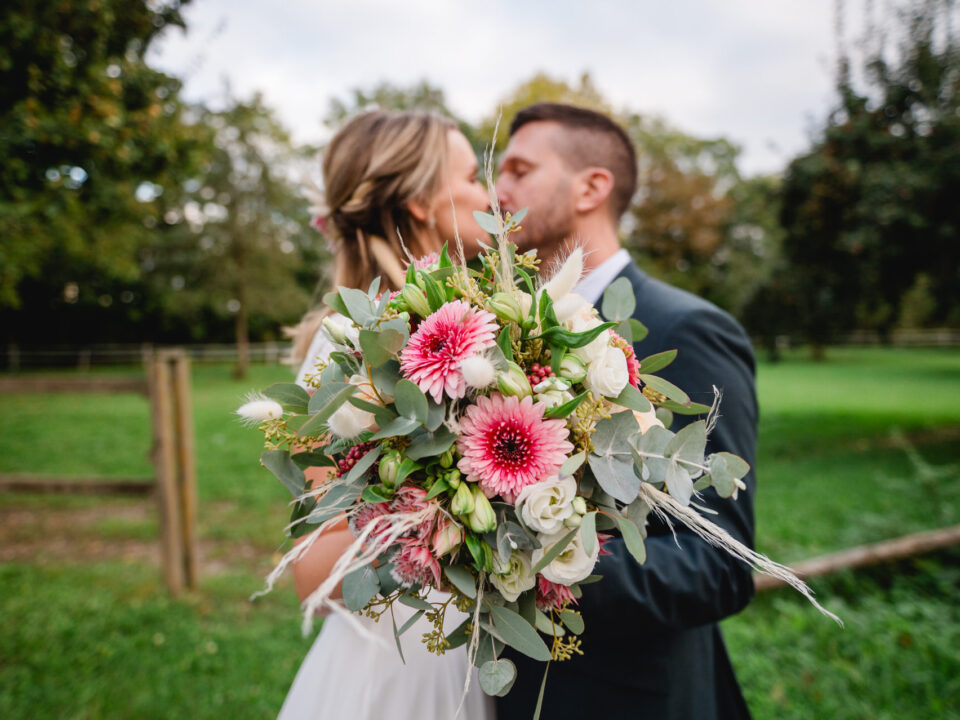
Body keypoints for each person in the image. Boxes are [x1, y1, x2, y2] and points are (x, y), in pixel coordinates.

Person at [494, 103, 758, 719]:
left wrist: (530, 570)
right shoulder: (503, 337)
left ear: (592, 186)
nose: (496, 189)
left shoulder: (687, 329)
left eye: (519, 170)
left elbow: (718, 564)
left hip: (630, 697)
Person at [279, 109, 495, 720]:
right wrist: (458, 509)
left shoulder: (475, 325)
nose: (490, 195)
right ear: (424, 201)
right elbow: (311, 572)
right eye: (473, 178)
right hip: (401, 670)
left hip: (466, 649)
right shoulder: (359, 345)